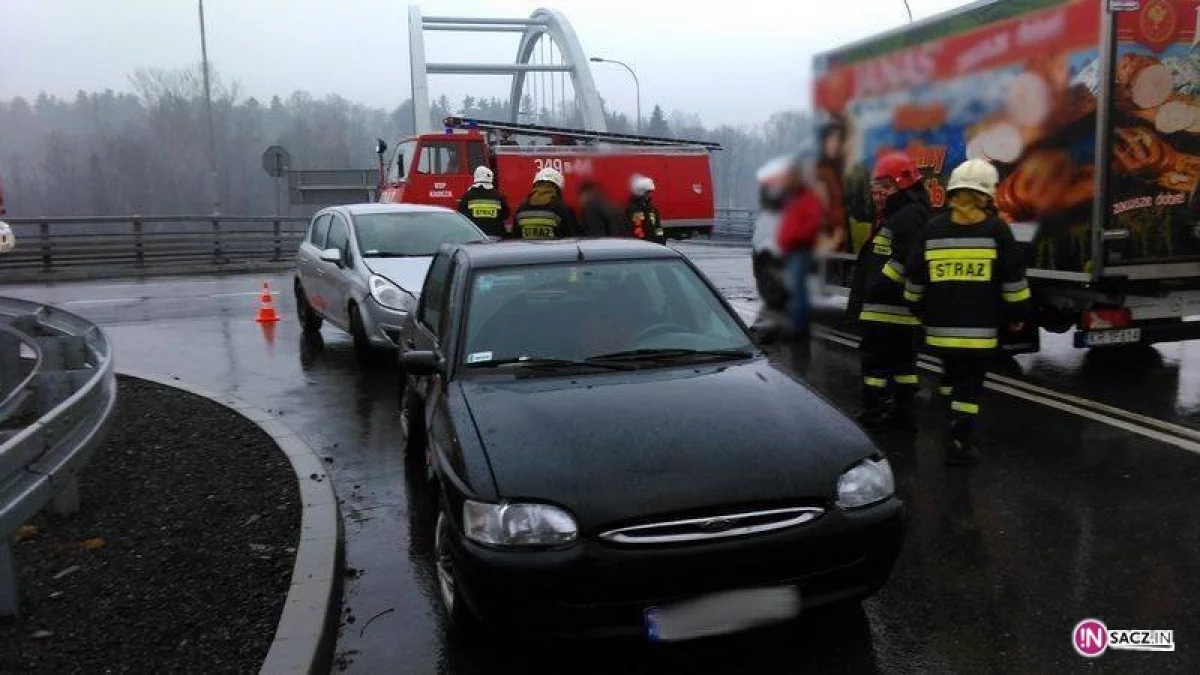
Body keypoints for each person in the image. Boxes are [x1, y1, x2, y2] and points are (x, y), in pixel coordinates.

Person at [904, 159, 1031, 465]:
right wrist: (1018, 315)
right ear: (987, 194)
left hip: (940, 331)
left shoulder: (932, 229)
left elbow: (914, 280)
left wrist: (919, 311)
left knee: (950, 375)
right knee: (968, 387)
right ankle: (959, 443)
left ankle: (946, 418)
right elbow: (1013, 280)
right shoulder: (997, 229)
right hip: (980, 333)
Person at [851, 151, 931, 430]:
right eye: (876, 189)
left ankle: (874, 411)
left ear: (902, 184)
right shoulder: (902, 214)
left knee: (875, 364)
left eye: (885, 187)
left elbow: (905, 260)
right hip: (896, 309)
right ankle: (902, 412)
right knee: (902, 365)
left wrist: (876, 287)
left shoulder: (907, 217)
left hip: (886, 307)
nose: (878, 194)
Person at [775, 162, 827, 341]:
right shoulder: (795, 198)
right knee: (795, 289)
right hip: (792, 248)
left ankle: (798, 330)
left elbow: (811, 224)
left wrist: (795, 238)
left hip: (799, 248)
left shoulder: (806, 198)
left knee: (797, 290)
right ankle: (797, 327)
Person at [513, 167, 577, 239]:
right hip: (554, 249)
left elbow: (515, 238)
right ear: (557, 188)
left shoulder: (521, 208)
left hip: (526, 250)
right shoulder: (561, 208)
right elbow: (572, 237)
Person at [457, 166, 511, 238]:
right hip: (496, 236)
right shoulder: (498, 196)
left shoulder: (468, 196)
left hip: (475, 236)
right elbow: (506, 214)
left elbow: (461, 215)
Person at [626, 175, 665, 244]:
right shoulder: (634, 209)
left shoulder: (652, 209)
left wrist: (661, 240)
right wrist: (642, 242)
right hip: (641, 245)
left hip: (654, 244)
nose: (650, 194)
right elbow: (637, 228)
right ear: (641, 192)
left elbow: (658, 226)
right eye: (648, 192)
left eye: (650, 192)